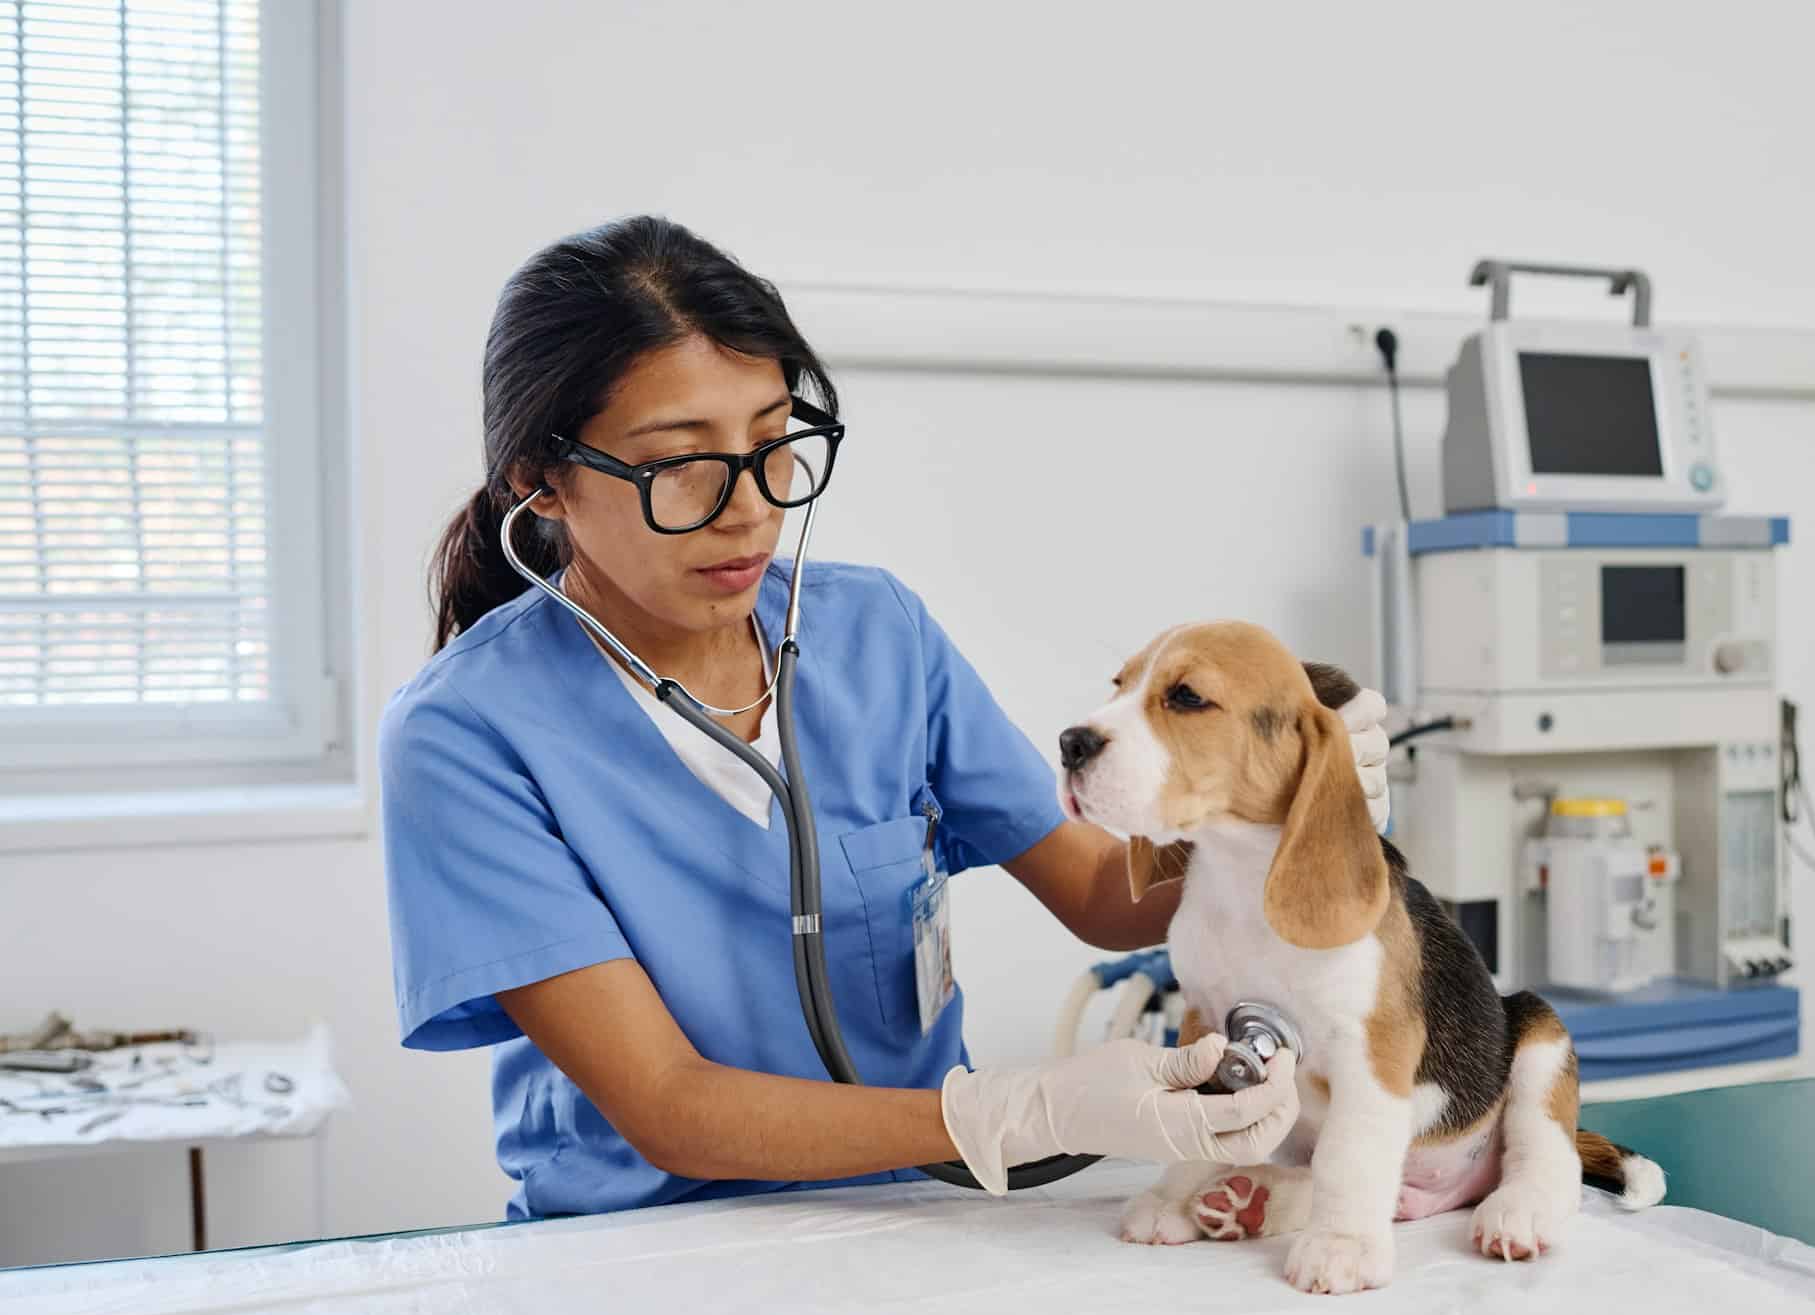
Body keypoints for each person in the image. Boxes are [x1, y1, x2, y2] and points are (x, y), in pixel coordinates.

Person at [379, 215, 1391, 1219]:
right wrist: (1013, 1114)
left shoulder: (874, 636)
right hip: (644, 1252)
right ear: (539, 481)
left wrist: (1285, 811)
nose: (748, 507)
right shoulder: (466, 735)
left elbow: (1097, 887)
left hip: (916, 1221)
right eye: (678, 460)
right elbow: (668, 1105)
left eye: (775, 443)